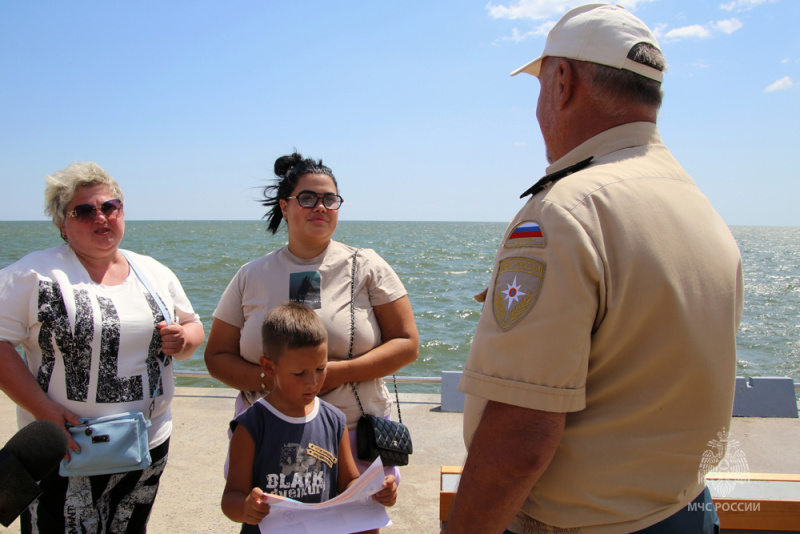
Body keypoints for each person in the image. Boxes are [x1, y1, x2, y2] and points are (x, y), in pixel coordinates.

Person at [446, 5, 744, 534]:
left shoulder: (567, 211)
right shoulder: (701, 207)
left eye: (539, 84)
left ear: (562, 81)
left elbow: (521, 435)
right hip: (690, 512)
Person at [0, 162, 205, 533]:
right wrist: (42, 409)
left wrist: (184, 340)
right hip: (66, 451)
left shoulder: (154, 272)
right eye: (84, 210)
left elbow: (193, 327)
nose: (101, 216)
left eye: (110, 206)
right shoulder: (30, 275)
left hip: (144, 447)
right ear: (62, 223)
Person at [205, 152, 419, 485]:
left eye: (329, 199)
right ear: (284, 207)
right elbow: (217, 356)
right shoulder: (251, 275)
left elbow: (406, 344)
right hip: (267, 435)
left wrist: (335, 373)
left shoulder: (367, 266)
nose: (320, 206)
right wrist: (274, 383)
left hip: (353, 433)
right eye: (307, 198)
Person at [222, 302, 397, 532]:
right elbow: (231, 497)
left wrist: (374, 490)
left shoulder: (335, 420)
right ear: (269, 366)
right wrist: (245, 507)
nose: (312, 382)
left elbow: (349, 484)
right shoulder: (251, 425)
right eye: (299, 373)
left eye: (320, 369)